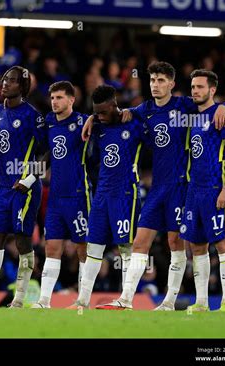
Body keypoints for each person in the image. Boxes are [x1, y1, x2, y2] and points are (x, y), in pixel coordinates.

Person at [84, 62, 225, 310]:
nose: (156, 84)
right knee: (140, 242)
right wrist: (92, 117)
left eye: (161, 80)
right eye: (153, 80)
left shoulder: (184, 106)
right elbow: (112, 114)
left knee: (176, 244)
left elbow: (212, 103)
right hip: (156, 188)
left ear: (172, 84)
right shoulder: (144, 110)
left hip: (180, 186)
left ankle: (170, 301)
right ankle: (126, 298)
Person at [0, 66, 46, 308]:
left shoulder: (32, 115)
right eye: (5, 80)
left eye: (13, 81)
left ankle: (19, 299)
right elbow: (3, 146)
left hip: (23, 189)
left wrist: (29, 180)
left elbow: (47, 152)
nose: (5, 84)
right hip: (3, 187)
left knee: (23, 242)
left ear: (23, 87)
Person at [71, 84, 147, 308]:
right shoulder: (96, 125)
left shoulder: (134, 122)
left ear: (115, 106)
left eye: (104, 112)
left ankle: (126, 299)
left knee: (126, 247)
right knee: (93, 246)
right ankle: (82, 300)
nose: (100, 116)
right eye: (97, 112)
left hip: (125, 193)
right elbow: (84, 121)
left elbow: (154, 111)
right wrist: (91, 118)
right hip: (101, 194)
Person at [181, 70, 225, 312]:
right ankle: (202, 303)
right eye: (193, 87)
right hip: (194, 191)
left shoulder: (222, 115)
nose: (195, 91)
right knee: (197, 246)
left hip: (216, 189)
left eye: (200, 87)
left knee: (222, 243)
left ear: (212, 90)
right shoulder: (194, 117)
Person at [31, 81, 90, 309]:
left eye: (59, 97)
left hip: (78, 195)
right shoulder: (49, 123)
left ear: (71, 100)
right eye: (52, 98)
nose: (54, 102)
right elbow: (48, 154)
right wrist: (30, 177)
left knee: (82, 247)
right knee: (52, 247)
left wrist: (94, 118)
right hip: (55, 197)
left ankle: (82, 299)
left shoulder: (84, 121)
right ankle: (45, 300)